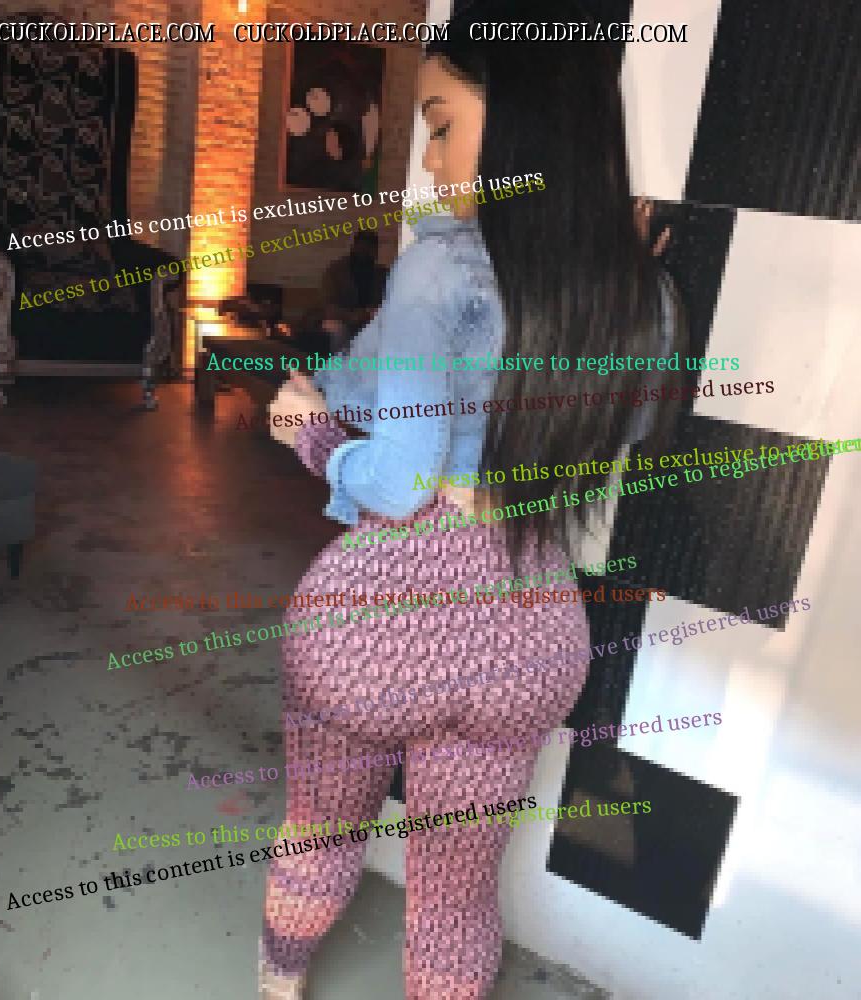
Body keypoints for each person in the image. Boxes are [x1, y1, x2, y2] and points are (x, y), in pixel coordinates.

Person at [259, 2, 683, 997]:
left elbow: (400, 479)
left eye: (443, 125)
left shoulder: (440, 265)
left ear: (525, 126)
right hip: (528, 644)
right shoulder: (646, 295)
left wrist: (309, 430)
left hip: (374, 633)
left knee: (319, 835)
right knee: (454, 897)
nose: (432, 160)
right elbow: (625, 432)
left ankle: (278, 984)